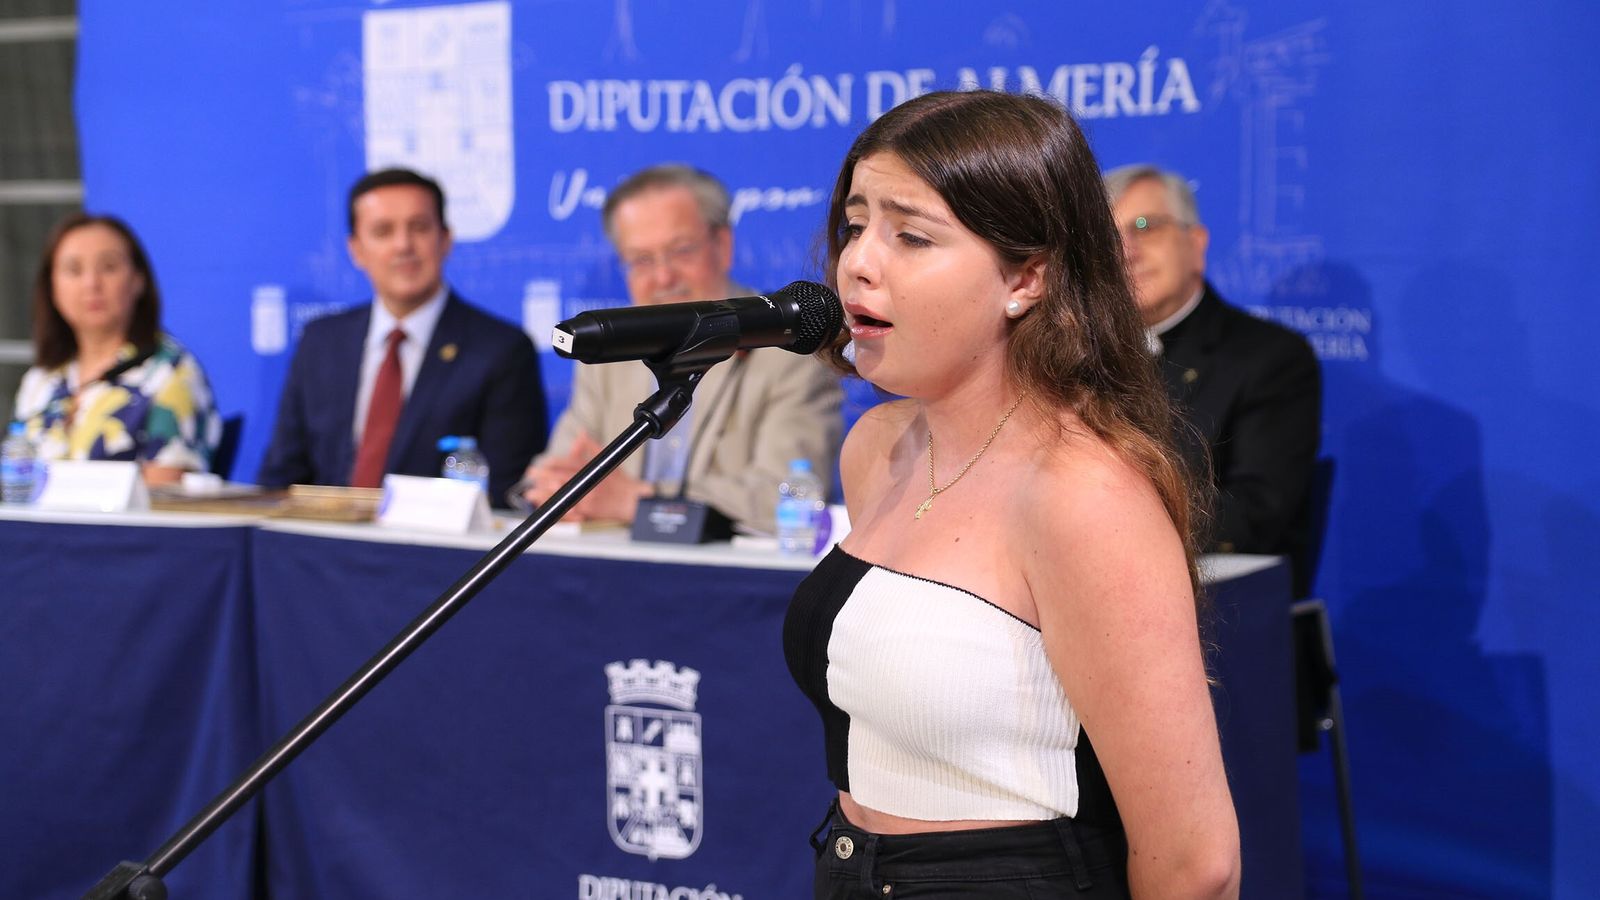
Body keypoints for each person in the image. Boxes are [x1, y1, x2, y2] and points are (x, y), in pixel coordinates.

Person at [783, 91, 1240, 898]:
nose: (857, 261)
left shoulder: (1084, 496)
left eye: (911, 235)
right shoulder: (877, 447)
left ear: (1027, 277)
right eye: (856, 224)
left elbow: (1195, 862)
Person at [520, 164, 842, 532]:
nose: (662, 277)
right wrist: (548, 484)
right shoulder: (609, 353)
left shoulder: (788, 348)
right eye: (642, 260)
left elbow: (786, 497)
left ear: (722, 246)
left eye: (681, 251)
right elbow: (560, 469)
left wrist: (639, 500)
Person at [258, 168, 547, 506]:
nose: (403, 245)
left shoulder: (501, 351)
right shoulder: (321, 342)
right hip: (323, 550)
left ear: (446, 240)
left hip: (437, 553)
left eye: (419, 228)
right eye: (383, 231)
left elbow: (504, 493)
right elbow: (280, 479)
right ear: (356, 250)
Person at [1103, 164, 1322, 595]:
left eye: (1145, 226)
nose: (1126, 251)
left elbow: (1254, 514)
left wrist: (1100, 527)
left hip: (1214, 616)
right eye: (1107, 239)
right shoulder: (1075, 356)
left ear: (1196, 244)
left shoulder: (1269, 358)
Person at [10, 213, 220, 483]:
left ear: (138, 280)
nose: (91, 284)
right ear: (51, 288)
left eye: (108, 267)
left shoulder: (170, 373)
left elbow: (166, 496)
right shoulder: (41, 379)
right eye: (74, 270)